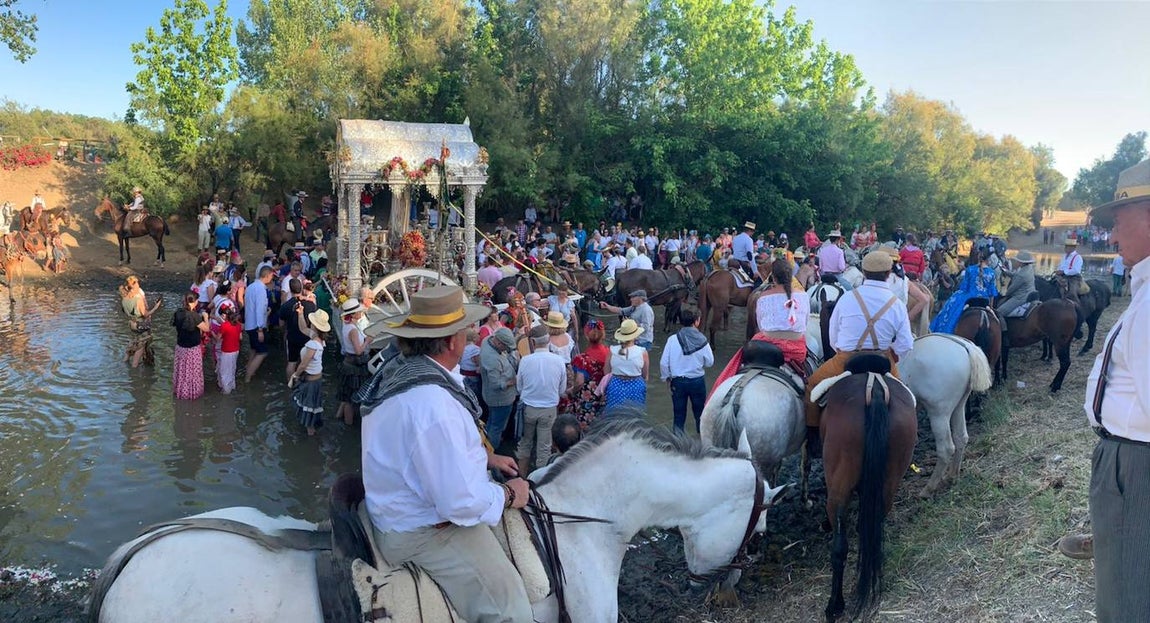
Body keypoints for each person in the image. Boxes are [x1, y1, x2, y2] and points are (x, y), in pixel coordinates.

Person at [356, 285, 531, 622]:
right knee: (510, 607)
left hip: (389, 503)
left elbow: (423, 448)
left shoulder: (402, 371)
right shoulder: (434, 405)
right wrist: (509, 495)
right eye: (464, 329)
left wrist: (485, 457)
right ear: (452, 342)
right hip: (419, 529)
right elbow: (459, 503)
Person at [1054, 161, 1150, 623]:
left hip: (1135, 466)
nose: (1111, 236)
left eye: (1118, 222)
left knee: (1125, 600)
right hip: (1128, 462)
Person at [805, 251, 914, 456]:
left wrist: (843, 351)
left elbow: (833, 337)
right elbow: (906, 345)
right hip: (884, 361)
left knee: (811, 387)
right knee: (907, 401)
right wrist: (892, 355)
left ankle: (813, 441)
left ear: (863, 272)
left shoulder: (847, 298)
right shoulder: (897, 304)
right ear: (889, 273)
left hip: (846, 358)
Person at [714, 258, 810, 395]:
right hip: (796, 350)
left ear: (773, 277)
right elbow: (804, 325)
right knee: (812, 380)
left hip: (766, 348)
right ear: (791, 276)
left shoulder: (763, 296)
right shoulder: (804, 295)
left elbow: (760, 326)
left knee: (738, 361)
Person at [515, 325, 567, 475]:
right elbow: (562, 390)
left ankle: (521, 477)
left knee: (525, 443)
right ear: (548, 340)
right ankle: (540, 480)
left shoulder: (525, 361)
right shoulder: (559, 361)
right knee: (544, 447)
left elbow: (519, 387)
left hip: (528, 408)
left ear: (532, 342)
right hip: (549, 409)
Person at [659, 309, 714, 434]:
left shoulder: (672, 339)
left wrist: (666, 378)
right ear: (697, 321)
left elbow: (663, 363)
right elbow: (710, 362)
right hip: (697, 382)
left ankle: (677, 442)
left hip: (677, 382)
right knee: (700, 414)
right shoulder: (703, 340)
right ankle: (701, 440)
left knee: (678, 415)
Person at [931, 249, 999, 334]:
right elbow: (992, 293)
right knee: (997, 321)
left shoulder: (970, 269)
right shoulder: (992, 273)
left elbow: (964, 288)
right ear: (988, 259)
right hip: (984, 300)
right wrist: (991, 307)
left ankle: (945, 331)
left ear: (979, 257)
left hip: (970, 297)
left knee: (950, 311)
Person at [291, 309, 330, 436]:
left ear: (314, 325)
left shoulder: (313, 344)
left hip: (310, 382)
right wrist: (300, 313)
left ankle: (311, 437)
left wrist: (295, 375)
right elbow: (303, 328)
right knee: (311, 409)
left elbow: (303, 364)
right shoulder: (319, 339)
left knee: (309, 413)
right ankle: (312, 436)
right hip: (315, 380)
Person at [480, 327, 519, 445]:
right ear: (498, 343)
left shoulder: (487, 340)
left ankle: (486, 445)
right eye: (506, 347)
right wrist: (512, 382)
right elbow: (495, 384)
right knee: (497, 428)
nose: (507, 350)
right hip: (501, 400)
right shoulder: (492, 360)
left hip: (490, 397)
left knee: (492, 422)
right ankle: (492, 450)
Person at [338, 298, 373, 426]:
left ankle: (341, 418)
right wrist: (367, 341)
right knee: (351, 399)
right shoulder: (353, 329)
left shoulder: (346, 325)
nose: (361, 313)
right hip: (355, 364)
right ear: (353, 314)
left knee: (347, 394)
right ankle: (349, 424)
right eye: (359, 311)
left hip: (348, 362)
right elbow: (358, 351)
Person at [569, 319, 609, 429]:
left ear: (587, 336)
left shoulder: (581, 359)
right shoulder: (610, 354)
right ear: (603, 335)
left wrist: (571, 391)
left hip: (588, 401)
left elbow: (579, 382)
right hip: (605, 396)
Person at [603, 319, 649, 411]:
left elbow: (606, 372)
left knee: (614, 414)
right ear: (635, 336)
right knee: (635, 414)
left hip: (615, 386)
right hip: (636, 387)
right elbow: (645, 376)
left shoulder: (612, 350)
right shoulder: (642, 352)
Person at [172, 292, 210, 400]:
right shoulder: (194, 316)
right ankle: (192, 393)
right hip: (192, 349)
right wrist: (206, 317)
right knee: (192, 372)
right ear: (195, 301)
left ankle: (181, 391)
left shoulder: (178, 312)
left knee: (182, 372)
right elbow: (206, 329)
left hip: (180, 347)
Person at [119, 275, 162, 368]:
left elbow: (125, 311)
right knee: (141, 346)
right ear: (134, 285)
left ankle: (124, 363)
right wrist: (155, 307)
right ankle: (134, 371)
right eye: (137, 283)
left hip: (131, 324)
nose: (139, 285)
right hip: (140, 325)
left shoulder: (124, 299)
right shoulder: (138, 299)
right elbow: (145, 314)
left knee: (134, 342)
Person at [279, 277, 316, 382]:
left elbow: (281, 324)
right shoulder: (311, 304)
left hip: (292, 337)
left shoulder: (285, 306)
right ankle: (305, 381)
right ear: (301, 288)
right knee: (306, 362)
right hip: (307, 337)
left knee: (292, 362)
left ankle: (290, 383)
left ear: (290, 290)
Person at [244, 266, 274, 382]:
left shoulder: (250, 286)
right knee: (262, 352)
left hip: (249, 323)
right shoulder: (261, 290)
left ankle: (249, 369)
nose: (271, 278)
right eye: (271, 276)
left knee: (253, 349)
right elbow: (259, 310)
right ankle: (248, 376)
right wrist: (260, 329)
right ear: (267, 276)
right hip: (256, 326)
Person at [997, 250, 1037, 319]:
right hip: (1031, 293)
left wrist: (1005, 294)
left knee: (999, 312)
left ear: (1021, 262)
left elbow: (1011, 289)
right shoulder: (1029, 268)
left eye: (1017, 261)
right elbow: (1015, 275)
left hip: (1020, 298)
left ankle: (1002, 326)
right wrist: (1005, 270)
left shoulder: (1021, 275)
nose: (1016, 262)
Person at [215, 308, 243, 394]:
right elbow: (240, 338)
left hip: (227, 351)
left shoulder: (224, 325)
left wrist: (212, 332)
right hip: (236, 350)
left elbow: (218, 338)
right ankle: (232, 386)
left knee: (224, 371)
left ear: (226, 316)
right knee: (232, 368)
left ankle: (226, 390)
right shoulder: (238, 325)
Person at [1057, 237, 1085, 304]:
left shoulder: (1078, 257)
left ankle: (1076, 305)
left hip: (1073, 278)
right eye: (1066, 246)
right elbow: (1060, 266)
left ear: (1073, 248)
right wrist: (1058, 271)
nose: (1065, 248)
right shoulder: (1064, 256)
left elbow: (1076, 270)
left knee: (1072, 292)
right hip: (1062, 276)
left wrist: (1064, 272)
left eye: (1067, 246)